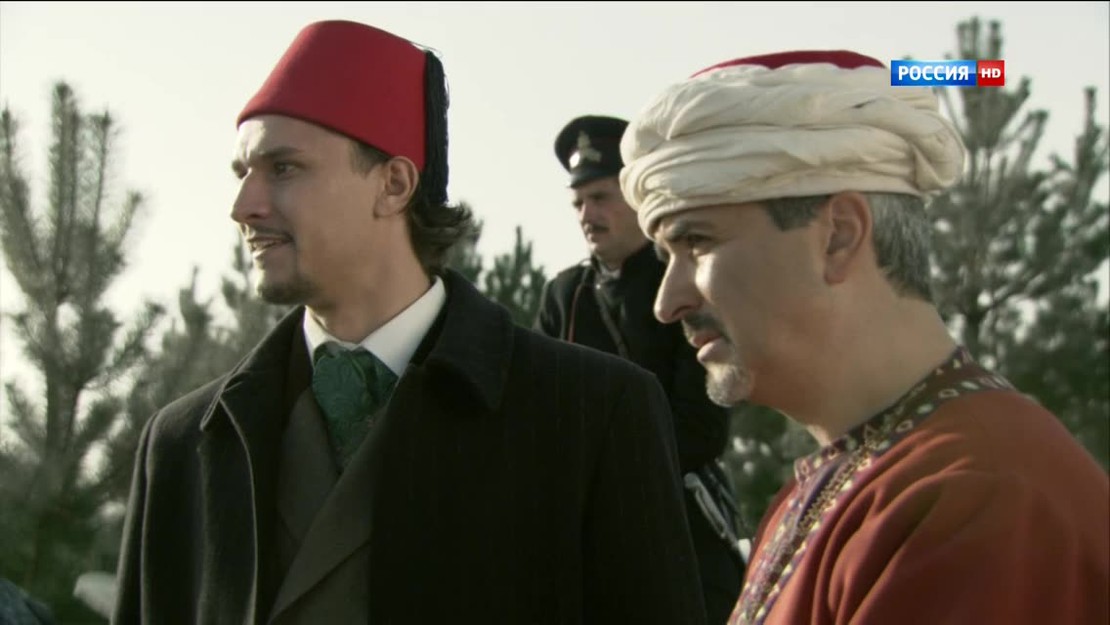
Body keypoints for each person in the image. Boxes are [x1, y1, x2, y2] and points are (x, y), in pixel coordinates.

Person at [112, 20, 707, 624]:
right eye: (242, 173)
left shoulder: (592, 413)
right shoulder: (183, 445)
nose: (244, 206)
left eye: (283, 168)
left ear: (393, 184)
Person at [619, 49, 1110, 625]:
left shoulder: (974, 496)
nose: (667, 304)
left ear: (839, 235)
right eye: (666, 258)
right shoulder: (845, 479)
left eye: (697, 243)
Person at [535, 114, 744, 623]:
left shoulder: (682, 286)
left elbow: (700, 427)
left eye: (600, 197)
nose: (587, 215)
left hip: (680, 524)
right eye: (578, 203)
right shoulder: (564, 296)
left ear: (636, 197)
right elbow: (535, 414)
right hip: (588, 534)